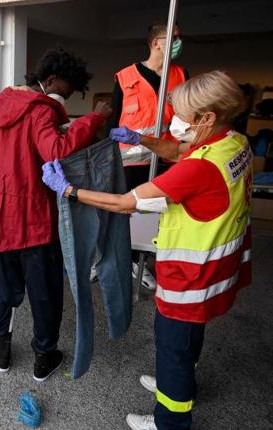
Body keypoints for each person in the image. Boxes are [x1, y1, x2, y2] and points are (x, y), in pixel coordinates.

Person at [43, 71, 251, 430]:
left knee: (173, 346)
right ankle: (181, 380)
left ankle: (169, 420)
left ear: (207, 118)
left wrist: (68, 191)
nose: (176, 121)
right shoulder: (232, 143)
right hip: (216, 270)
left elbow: (126, 203)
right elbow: (179, 149)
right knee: (187, 342)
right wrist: (140, 138)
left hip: (191, 281)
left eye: (183, 114)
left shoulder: (201, 169)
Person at [0, 47, 112, 382]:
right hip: (34, 223)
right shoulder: (41, 111)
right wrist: (94, 118)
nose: (64, 101)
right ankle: (44, 357)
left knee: (5, 289)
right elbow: (55, 150)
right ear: (51, 79)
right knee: (44, 292)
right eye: (66, 92)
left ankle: (2, 348)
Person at [108, 23, 189, 291]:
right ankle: (129, 262)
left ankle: (154, 260)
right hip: (132, 160)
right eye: (174, 38)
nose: (179, 42)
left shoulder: (181, 74)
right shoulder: (125, 76)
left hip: (169, 158)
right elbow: (113, 121)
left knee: (162, 212)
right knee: (129, 212)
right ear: (156, 42)